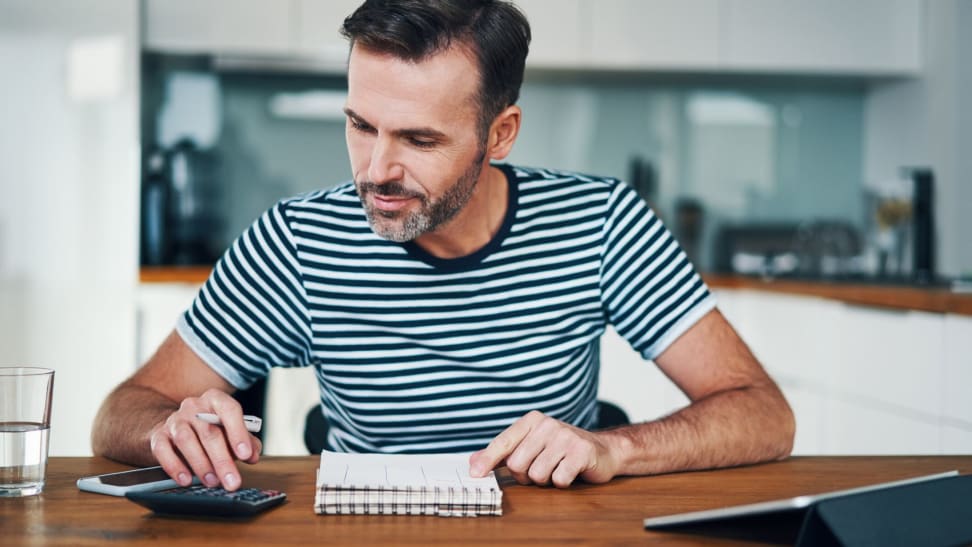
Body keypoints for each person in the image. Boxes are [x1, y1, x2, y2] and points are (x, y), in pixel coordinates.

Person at [93, 0, 794, 491]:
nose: (375, 171)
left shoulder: (600, 222)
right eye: (361, 125)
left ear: (501, 132)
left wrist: (616, 447)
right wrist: (169, 427)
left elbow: (763, 411)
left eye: (419, 139)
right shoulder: (298, 241)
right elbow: (121, 410)